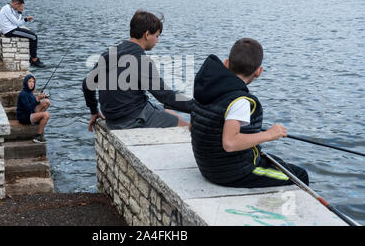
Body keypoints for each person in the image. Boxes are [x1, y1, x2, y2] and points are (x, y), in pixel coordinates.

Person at [190, 38, 309, 188]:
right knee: (299, 176)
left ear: (226, 63)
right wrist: (270, 134)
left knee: (278, 162)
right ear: (259, 72)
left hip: (208, 167)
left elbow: (193, 127)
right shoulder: (239, 100)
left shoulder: (208, 87)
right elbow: (230, 143)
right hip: (232, 173)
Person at [82, 10, 193, 132]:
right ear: (147, 35)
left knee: (167, 111)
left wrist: (94, 111)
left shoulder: (110, 54)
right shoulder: (142, 61)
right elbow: (165, 96)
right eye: (157, 36)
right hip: (132, 119)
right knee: (187, 128)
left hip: (112, 119)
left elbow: (87, 85)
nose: (157, 41)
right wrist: (197, 107)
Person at [0, 0, 45, 68]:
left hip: (12, 29)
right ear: (16, 3)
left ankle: (32, 57)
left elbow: (17, 21)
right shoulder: (7, 9)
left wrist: (22, 16)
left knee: (32, 35)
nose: (19, 8)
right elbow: (18, 22)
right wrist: (21, 13)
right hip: (10, 31)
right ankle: (34, 59)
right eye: (19, 6)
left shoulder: (9, 8)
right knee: (34, 37)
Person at [17, 74, 50, 143]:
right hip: (24, 117)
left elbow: (34, 105)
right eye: (29, 82)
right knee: (46, 115)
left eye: (33, 82)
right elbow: (29, 109)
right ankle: (38, 137)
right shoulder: (23, 94)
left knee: (46, 102)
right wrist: (37, 99)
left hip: (30, 113)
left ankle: (38, 120)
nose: (31, 84)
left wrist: (41, 98)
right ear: (26, 83)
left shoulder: (30, 92)